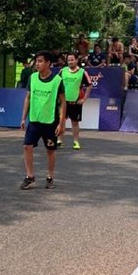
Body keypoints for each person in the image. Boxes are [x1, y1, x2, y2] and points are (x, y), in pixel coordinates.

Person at [20, 50, 66, 190]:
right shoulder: (33, 77)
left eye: (40, 61)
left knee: (50, 150)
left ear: (48, 63)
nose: (37, 64)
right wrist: (23, 118)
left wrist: (61, 123)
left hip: (50, 122)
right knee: (27, 146)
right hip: (34, 120)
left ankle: (50, 177)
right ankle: (30, 176)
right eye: (36, 61)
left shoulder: (57, 80)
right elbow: (28, 98)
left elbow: (63, 102)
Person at [58, 54, 92, 150]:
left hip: (75, 102)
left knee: (75, 122)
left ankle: (76, 142)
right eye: (68, 60)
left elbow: (89, 85)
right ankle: (60, 141)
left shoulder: (82, 72)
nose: (70, 62)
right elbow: (56, 83)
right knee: (61, 121)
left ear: (76, 60)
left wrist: (84, 99)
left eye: (72, 60)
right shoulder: (62, 71)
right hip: (63, 102)